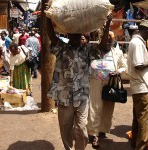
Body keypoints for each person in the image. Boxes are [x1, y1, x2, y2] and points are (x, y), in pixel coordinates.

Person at [46, 5, 113, 148]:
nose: (77, 37)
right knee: (65, 129)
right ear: (68, 35)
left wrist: (107, 25)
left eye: (79, 35)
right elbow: (51, 35)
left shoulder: (88, 50)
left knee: (82, 130)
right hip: (64, 97)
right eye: (74, 35)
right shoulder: (61, 48)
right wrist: (47, 17)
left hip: (82, 96)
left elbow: (102, 46)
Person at [87, 29, 127, 149]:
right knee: (94, 107)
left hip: (110, 83)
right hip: (95, 82)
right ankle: (94, 134)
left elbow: (124, 66)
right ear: (101, 40)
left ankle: (102, 130)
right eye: (106, 40)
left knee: (107, 108)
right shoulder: (93, 51)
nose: (108, 42)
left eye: (111, 40)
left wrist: (118, 71)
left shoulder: (117, 53)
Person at [127, 20, 148, 150]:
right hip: (141, 85)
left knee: (137, 116)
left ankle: (135, 141)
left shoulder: (135, 42)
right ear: (146, 31)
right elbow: (139, 65)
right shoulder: (138, 44)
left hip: (138, 85)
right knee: (143, 119)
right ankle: (140, 146)